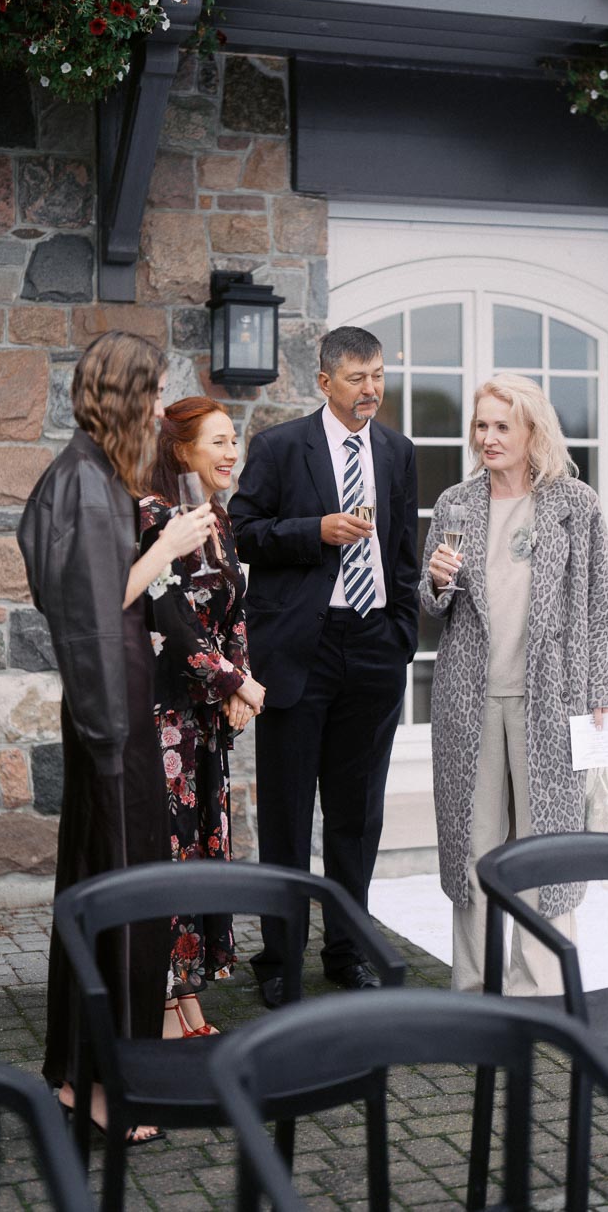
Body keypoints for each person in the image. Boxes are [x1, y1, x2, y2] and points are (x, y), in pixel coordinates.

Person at [17, 332, 214, 1136]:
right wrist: (167, 545)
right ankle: (107, 1087)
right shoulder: (86, 483)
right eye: (157, 390)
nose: (164, 406)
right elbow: (95, 610)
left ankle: (76, 1074)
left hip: (110, 711)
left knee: (96, 891)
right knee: (125, 900)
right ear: (127, 394)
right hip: (113, 718)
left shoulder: (89, 474)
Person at [229, 326, 419, 1008]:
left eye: (378, 376)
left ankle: (347, 951)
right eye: (357, 377)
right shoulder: (280, 447)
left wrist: (400, 633)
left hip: (373, 644)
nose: (371, 389)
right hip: (298, 649)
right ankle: (279, 961)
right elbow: (242, 532)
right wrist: (316, 531)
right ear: (325, 382)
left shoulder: (397, 452)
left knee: (356, 816)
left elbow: (404, 550)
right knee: (286, 814)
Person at [420, 372, 608, 995]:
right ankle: (476, 992)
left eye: (502, 426)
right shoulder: (455, 503)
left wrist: (603, 694)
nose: (488, 437)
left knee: (545, 848)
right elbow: (431, 602)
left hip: (553, 701)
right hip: (469, 699)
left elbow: (603, 606)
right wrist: (437, 580)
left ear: (534, 431)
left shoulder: (575, 504)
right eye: (481, 425)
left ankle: (540, 991)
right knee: (472, 848)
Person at [139, 397, 265, 1039]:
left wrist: (237, 682)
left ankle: (186, 995)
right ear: (180, 449)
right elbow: (169, 617)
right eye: (217, 441)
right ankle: (161, 1003)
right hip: (165, 715)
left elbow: (236, 607)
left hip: (206, 717)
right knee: (169, 853)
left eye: (233, 440)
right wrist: (237, 682)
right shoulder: (154, 516)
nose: (230, 452)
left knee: (198, 854)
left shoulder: (218, 516)